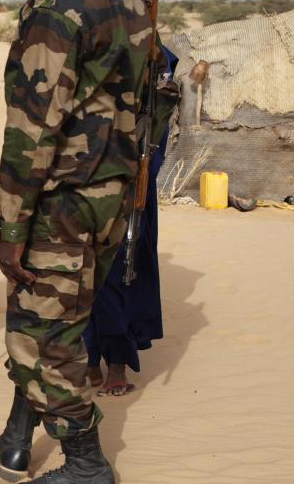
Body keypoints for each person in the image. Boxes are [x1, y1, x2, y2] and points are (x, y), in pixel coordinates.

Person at [0, 0, 158, 482]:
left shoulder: (59, 5)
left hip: (61, 201)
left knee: (39, 336)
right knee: (60, 320)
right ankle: (18, 435)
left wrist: (12, 228)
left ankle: (87, 463)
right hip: (113, 197)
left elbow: (32, 129)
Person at [85, 48, 180, 397]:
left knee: (120, 273)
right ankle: (87, 359)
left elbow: (158, 117)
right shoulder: (86, 42)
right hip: (85, 176)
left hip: (132, 177)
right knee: (82, 273)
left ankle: (116, 362)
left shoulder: (153, 51)